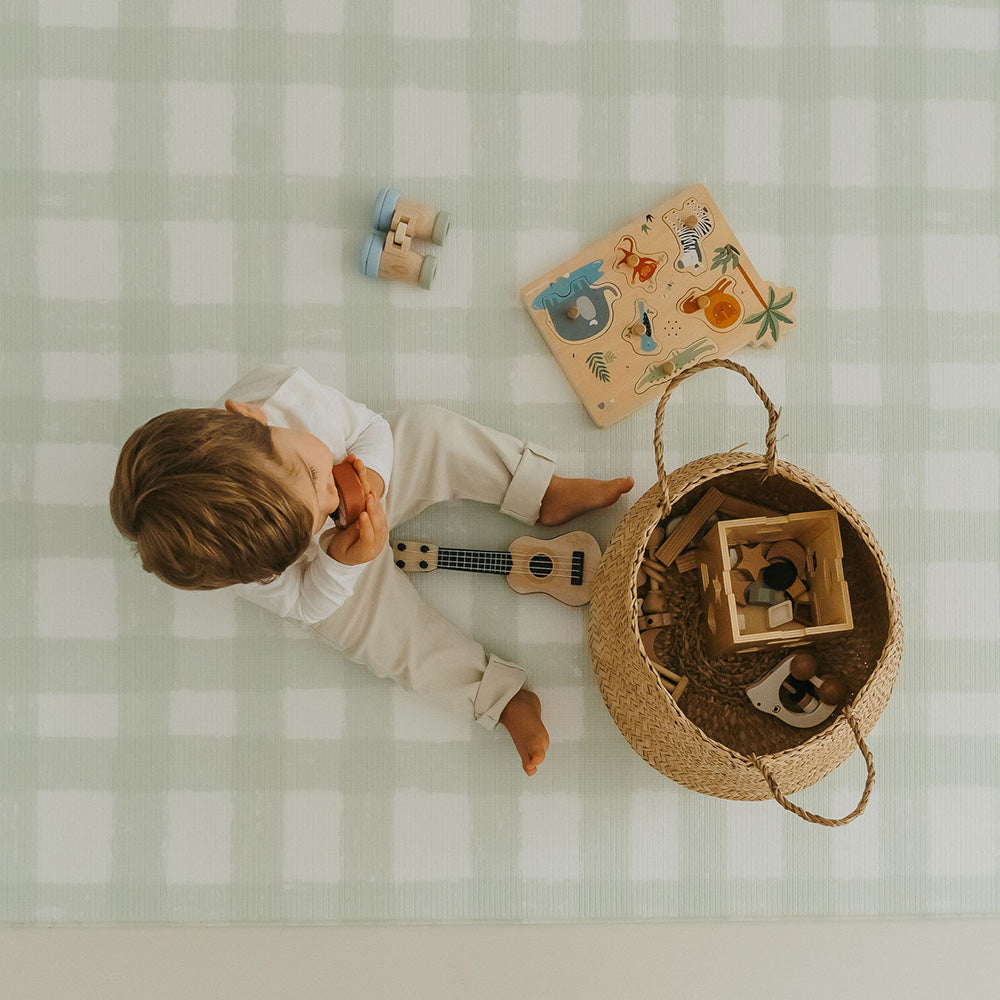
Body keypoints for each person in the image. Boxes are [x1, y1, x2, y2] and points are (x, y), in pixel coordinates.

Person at [110, 366, 633, 775]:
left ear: (252, 418)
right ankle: (500, 698)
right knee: (384, 640)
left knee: (430, 430)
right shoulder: (242, 561)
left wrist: (374, 482)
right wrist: (338, 561)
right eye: (314, 516)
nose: (327, 502)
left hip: (366, 468)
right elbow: (307, 604)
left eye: (313, 479)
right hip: (329, 573)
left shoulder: (286, 395)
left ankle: (542, 491)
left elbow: (369, 429)